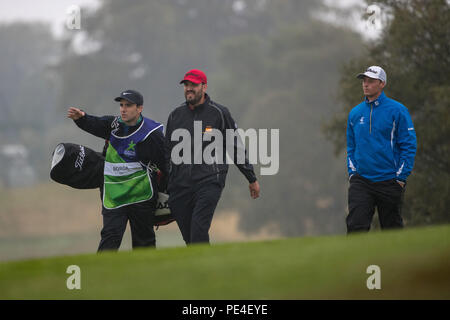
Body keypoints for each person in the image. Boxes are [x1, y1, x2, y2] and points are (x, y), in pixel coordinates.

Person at [165, 69, 260, 244]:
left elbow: (235, 147)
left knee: (199, 230)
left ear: (204, 86)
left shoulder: (219, 113)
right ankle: (203, 268)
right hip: (180, 186)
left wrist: (251, 178)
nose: (189, 89)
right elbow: (167, 152)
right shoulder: (175, 115)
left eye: (193, 85)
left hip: (209, 181)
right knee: (190, 239)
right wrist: (167, 185)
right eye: (186, 85)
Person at [67, 89, 167, 251]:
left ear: (139, 108)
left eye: (128, 105)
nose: (123, 109)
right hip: (114, 196)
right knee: (110, 237)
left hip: (140, 195)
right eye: (121, 105)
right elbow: (97, 123)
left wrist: (171, 189)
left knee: (144, 241)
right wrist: (82, 118)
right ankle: (104, 274)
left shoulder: (152, 133)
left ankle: (146, 274)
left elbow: (165, 163)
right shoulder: (113, 124)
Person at [346, 66, 417, 233]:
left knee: (392, 230)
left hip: (390, 180)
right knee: (356, 227)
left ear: (382, 83)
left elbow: (408, 145)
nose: (366, 84)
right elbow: (351, 147)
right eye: (364, 81)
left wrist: (400, 177)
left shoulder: (398, 110)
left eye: (371, 81)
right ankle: (356, 260)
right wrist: (352, 172)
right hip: (361, 181)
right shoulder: (355, 113)